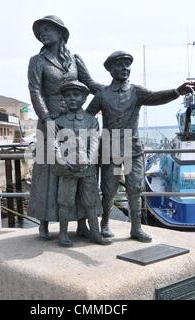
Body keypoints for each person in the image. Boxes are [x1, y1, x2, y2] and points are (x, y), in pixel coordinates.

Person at [86, 51, 192, 242]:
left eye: (127, 64)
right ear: (110, 69)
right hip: (110, 149)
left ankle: (136, 228)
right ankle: (105, 223)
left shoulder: (136, 91)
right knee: (108, 189)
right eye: (120, 65)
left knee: (135, 188)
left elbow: (156, 97)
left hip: (132, 149)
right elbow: (88, 116)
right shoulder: (102, 94)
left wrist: (177, 91)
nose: (125, 68)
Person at [27, 15, 103, 240]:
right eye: (40, 30)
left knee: (81, 167)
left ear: (61, 32)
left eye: (48, 29)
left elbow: (90, 84)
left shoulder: (75, 59)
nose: (43, 33)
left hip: (75, 118)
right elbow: (35, 91)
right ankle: (43, 223)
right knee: (48, 172)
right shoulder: (37, 61)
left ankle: (82, 222)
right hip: (50, 120)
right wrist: (47, 118)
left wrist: (112, 90)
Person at [53, 80, 111, 247]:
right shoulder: (58, 121)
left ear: (84, 98)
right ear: (63, 98)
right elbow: (53, 144)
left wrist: (88, 161)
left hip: (87, 169)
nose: (72, 98)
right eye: (68, 95)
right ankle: (63, 233)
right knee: (65, 201)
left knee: (91, 200)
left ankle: (95, 232)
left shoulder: (91, 121)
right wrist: (62, 162)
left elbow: (94, 142)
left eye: (76, 95)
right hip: (67, 169)